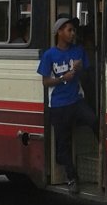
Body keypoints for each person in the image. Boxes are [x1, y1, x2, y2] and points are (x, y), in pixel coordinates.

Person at [37, 17, 97, 194]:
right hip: (58, 105)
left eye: (73, 30)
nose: (72, 33)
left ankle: (102, 154)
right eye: (69, 30)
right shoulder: (50, 55)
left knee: (94, 121)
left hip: (76, 101)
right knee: (62, 145)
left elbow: (87, 74)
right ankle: (72, 178)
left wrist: (79, 69)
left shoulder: (78, 51)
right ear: (59, 33)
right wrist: (63, 78)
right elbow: (45, 81)